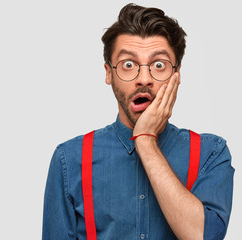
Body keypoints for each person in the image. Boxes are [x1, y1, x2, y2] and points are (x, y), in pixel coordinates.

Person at [42, 3, 234, 240]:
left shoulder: (210, 153)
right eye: (128, 65)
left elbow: (204, 236)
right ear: (109, 73)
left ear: (177, 73)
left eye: (159, 65)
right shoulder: (69, 159)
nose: (144, 79)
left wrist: (145, 140)